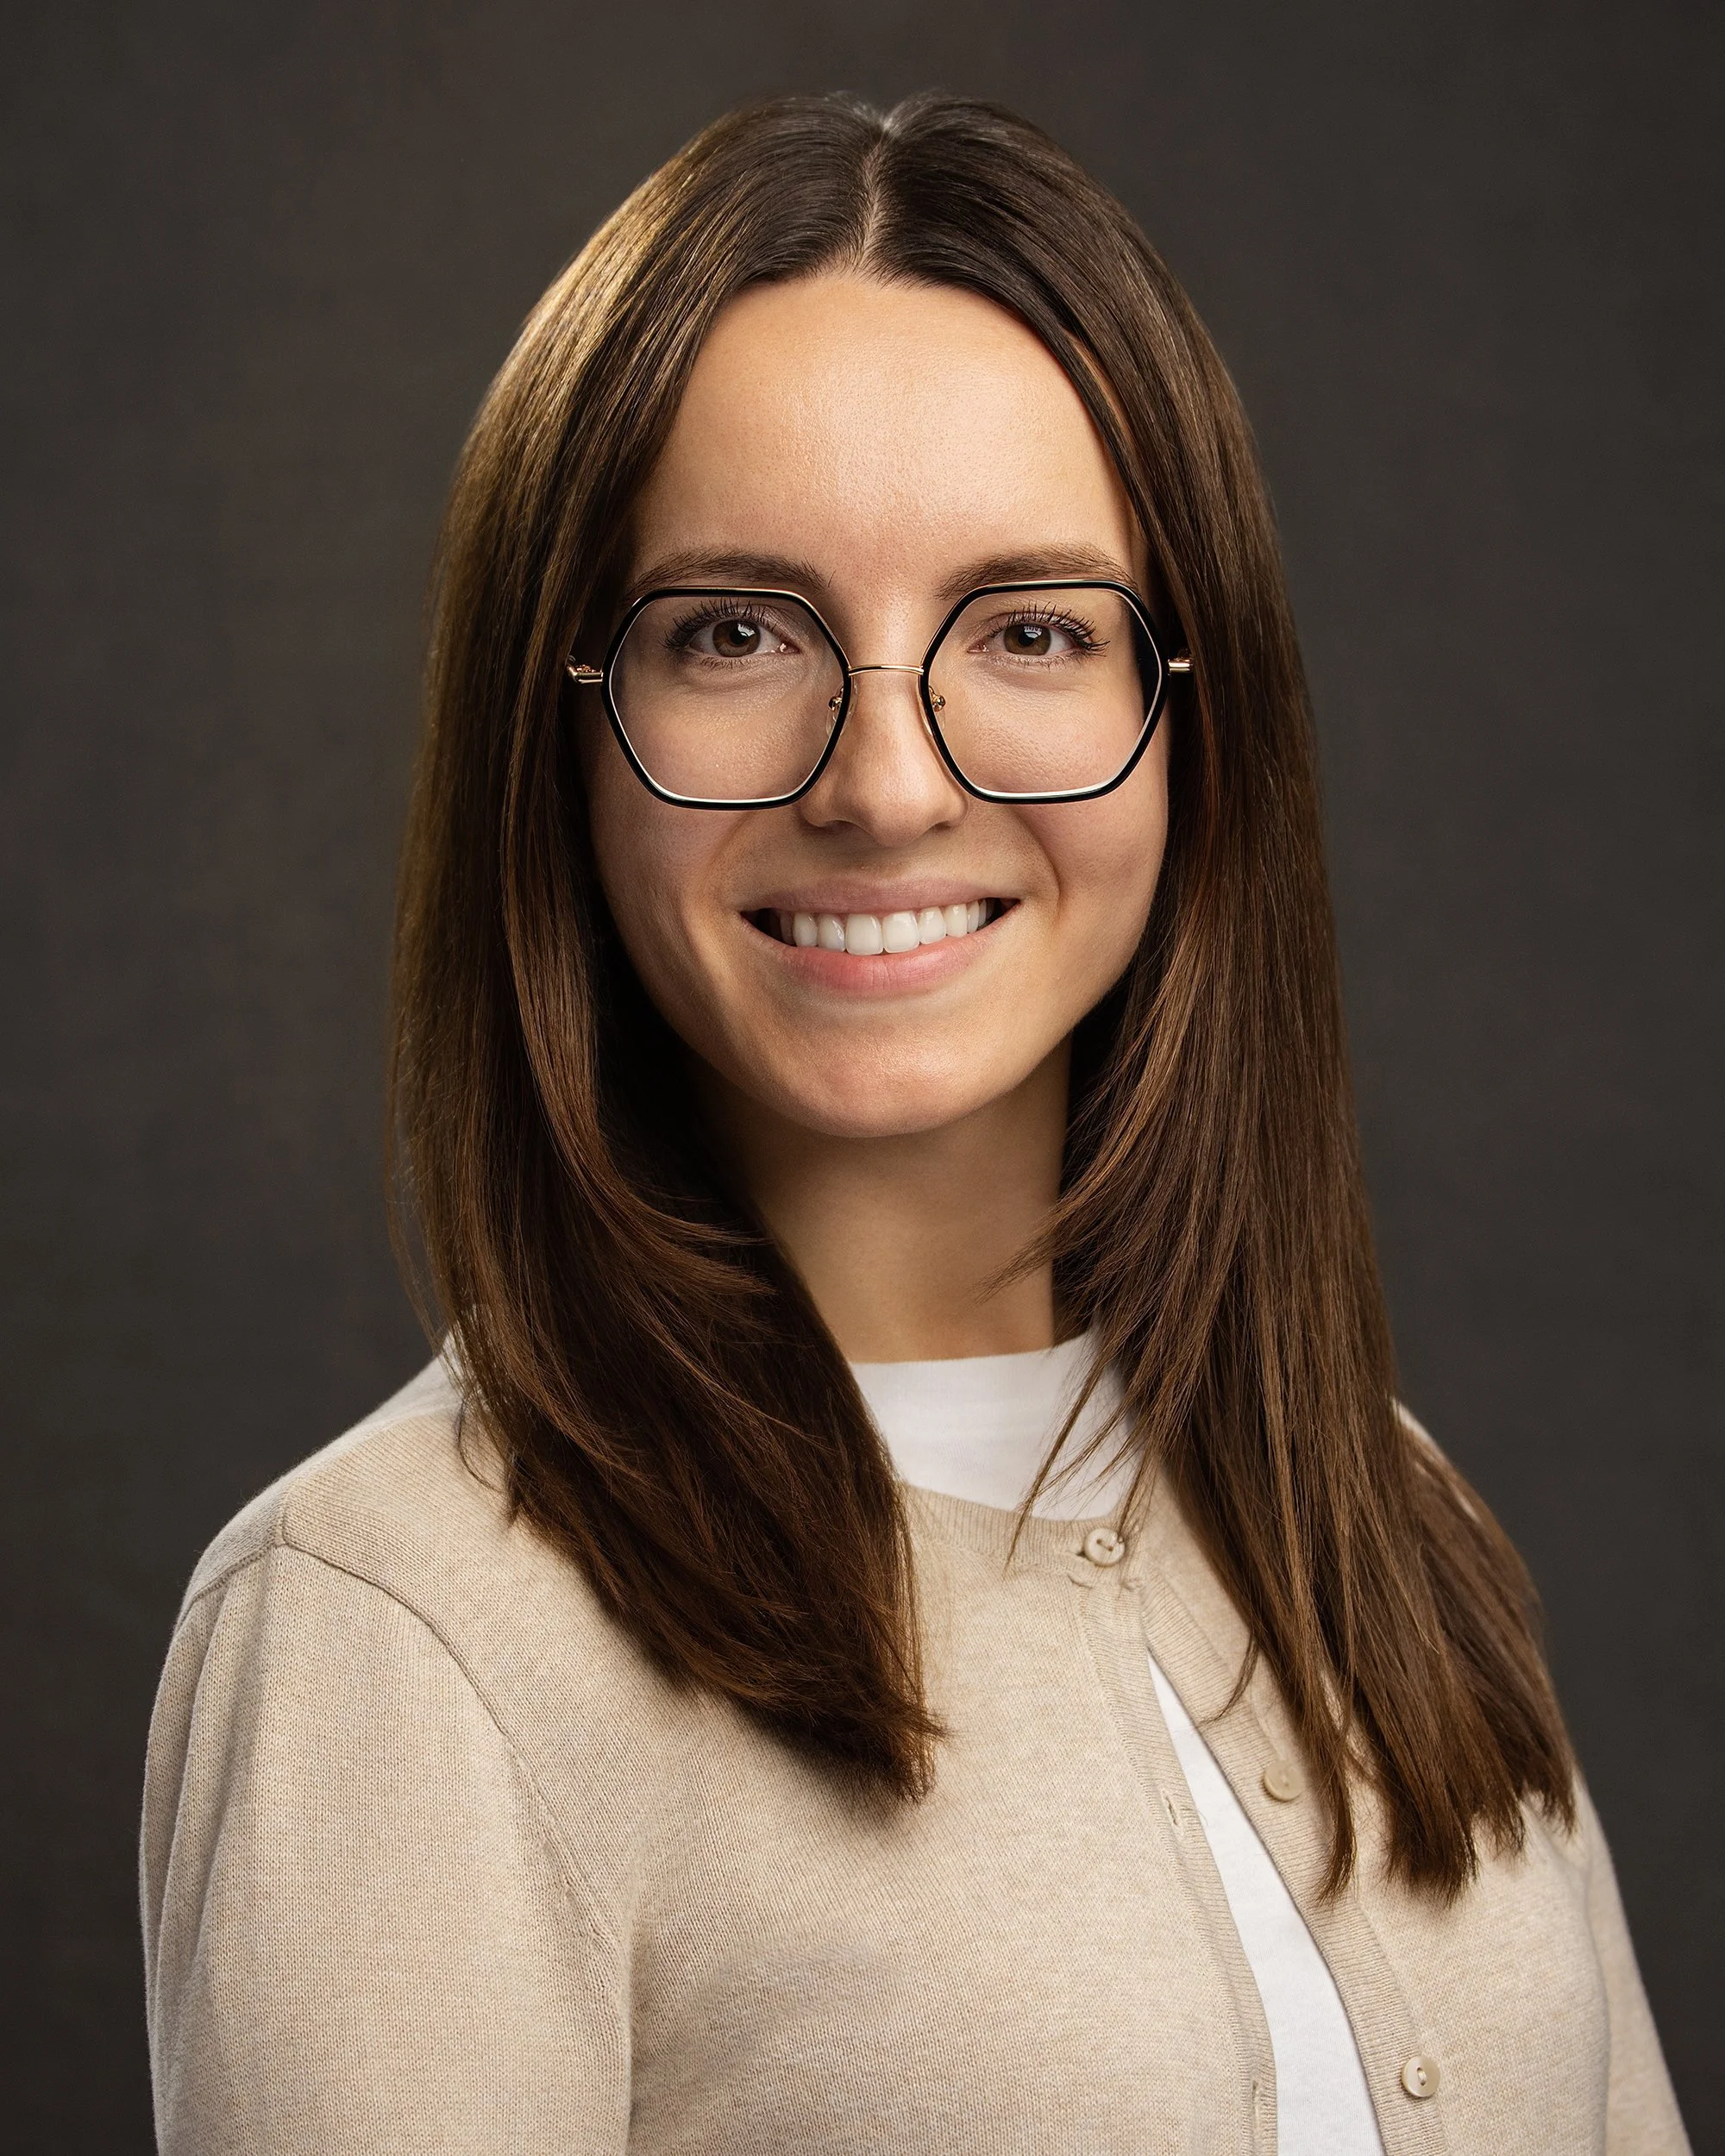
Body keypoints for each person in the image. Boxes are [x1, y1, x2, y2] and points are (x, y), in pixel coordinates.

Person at [140, 93, 1688, 2154]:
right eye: (734, 634)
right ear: (566, 736)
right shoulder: (385, 1627)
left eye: (1032, 628)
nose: (884, 779)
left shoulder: (1388, 1516)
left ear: (1193, 727)